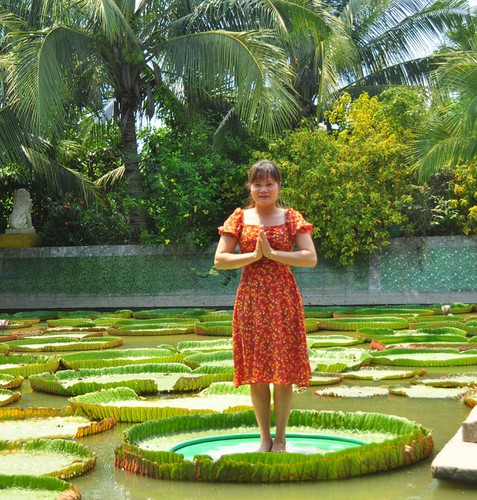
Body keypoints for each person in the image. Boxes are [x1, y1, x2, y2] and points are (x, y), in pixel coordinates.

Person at [214, 159, 317, 453]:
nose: (263, 189)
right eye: (257, 183)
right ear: (250, 187)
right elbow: (220, 260)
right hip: (251, 301)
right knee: (257, 374)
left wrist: (273, 254)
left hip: (283, 300)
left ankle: (281, 438)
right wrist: (254, 257)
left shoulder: (291, 217)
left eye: (269, 183)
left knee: (283, 373)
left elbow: (310, 257)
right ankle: (264, 438)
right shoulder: (239, 217)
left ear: (278, 186)